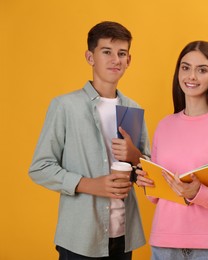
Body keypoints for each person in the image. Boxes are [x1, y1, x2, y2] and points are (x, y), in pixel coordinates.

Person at [29, 21, 150, 259]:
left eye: (122, 53)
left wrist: (136, 157)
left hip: (124, 235)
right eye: (107, 51)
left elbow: (148, 170)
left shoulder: (133, 109)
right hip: (80, 237)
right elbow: (40, 168)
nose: (116, 59)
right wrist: (90, 184)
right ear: (90, 56)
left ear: (129, 60)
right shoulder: (65, 106)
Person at [136, 41, 208, 259]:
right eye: (186, 68)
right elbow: (156, 198)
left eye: (202, 70)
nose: (192, 77)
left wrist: (197, 193)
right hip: (164, 243)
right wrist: (147, 183)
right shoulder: (164, 125)